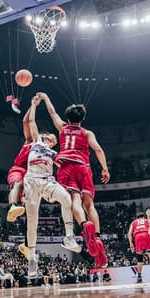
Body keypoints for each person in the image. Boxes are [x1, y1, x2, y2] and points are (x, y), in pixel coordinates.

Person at [37, 93, 110, 267]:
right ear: (82, 119)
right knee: (89, 204)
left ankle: (84, 224)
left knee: (74, 200)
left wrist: (47, 99)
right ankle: (97, 236)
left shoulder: (62, 128)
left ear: (68, 118)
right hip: (83, 167)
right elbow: (98, 149)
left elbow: (52, 113)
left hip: (67, 167)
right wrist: (105, 169)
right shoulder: (87, 133)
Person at [19, 95, 82, 277]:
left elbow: (65, 167)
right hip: (31, 180)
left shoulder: (55, 153)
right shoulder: (36, 141)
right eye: (49, 134)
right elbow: (30, 120)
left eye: (53, 136)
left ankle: (69, 236)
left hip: (47, 180)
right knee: (32, 222)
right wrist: (33, 105)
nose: (50, 135)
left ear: (54, 141)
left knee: (66, 198)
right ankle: (32, 258)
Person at [6, 114, 34, 223]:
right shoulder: (30, 141)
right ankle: (12, 206)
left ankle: (28, 238)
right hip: (18, 169)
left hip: (30, 176)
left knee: (29, 202)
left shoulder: (46, 152)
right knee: (17, 184)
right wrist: (33, 106)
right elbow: (25, 122)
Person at [127, 213, 150, 284]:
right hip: (145, 235)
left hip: (138, 237)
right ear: (143, 217)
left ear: (137, 217)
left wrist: (131, 243)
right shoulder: (146, 220)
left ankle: (139, 277)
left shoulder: (133, 222)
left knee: (139, 259)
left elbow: (129, 233)